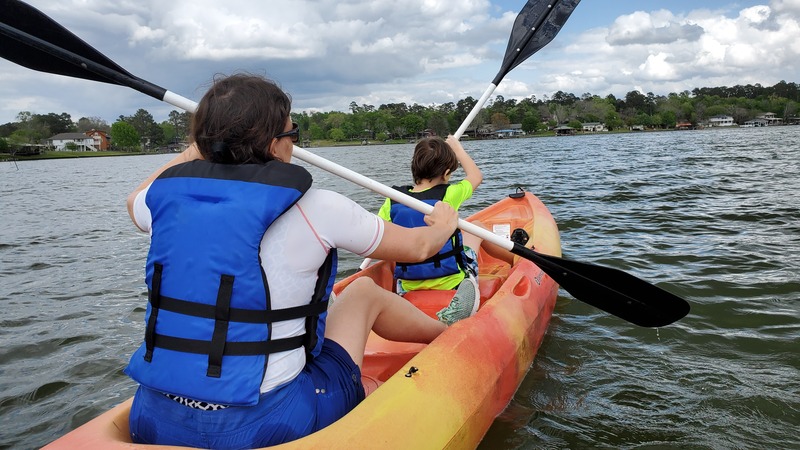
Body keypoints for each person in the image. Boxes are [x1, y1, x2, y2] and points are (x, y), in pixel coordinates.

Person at [123, 73, 474, 449]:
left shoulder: (161, 202)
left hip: (153, 419)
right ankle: (449, 333)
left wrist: (202, 144)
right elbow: (419, 247)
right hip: (270, 423)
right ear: (274, 145)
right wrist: (443, 222)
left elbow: (134, 199)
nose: (295, 143)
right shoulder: (317, 207)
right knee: (363, 292)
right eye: (293, 133)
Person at [377, 136, 514, 325]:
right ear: (447, 173)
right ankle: (517, 261)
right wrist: (458, 149)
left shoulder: (392, 200)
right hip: (452, 281)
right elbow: (476, 177)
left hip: (408, 287)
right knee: (477, 229)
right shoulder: (449, 194)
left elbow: (382, 238)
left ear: (414, 167)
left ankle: (399, 295)